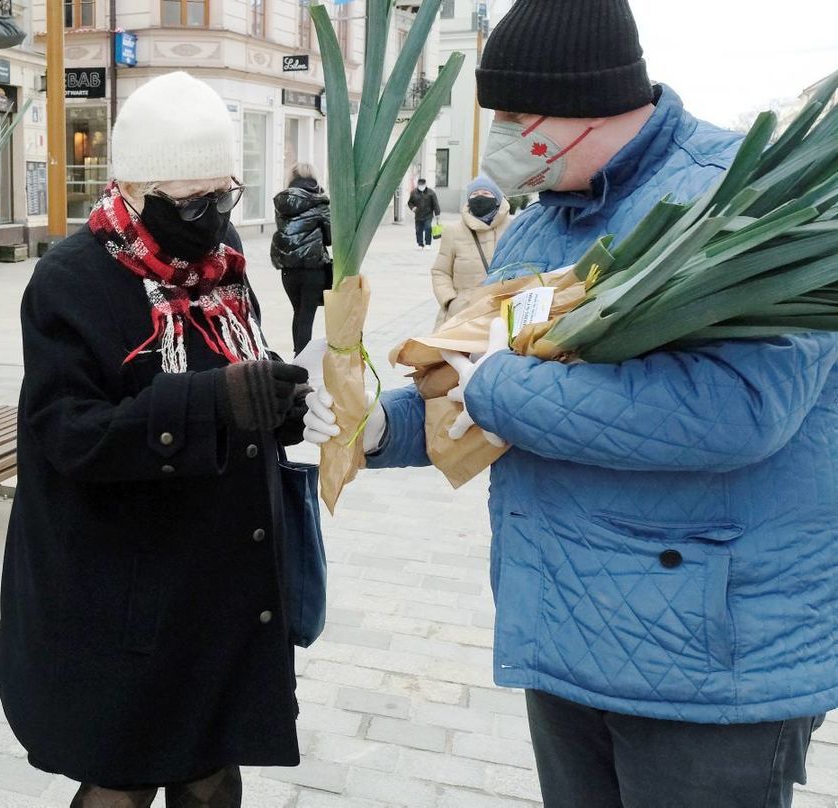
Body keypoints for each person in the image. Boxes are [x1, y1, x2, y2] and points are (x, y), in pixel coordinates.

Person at [303, 1, 836, 805]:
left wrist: (499, 386)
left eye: (518, 118)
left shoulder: (741, 198)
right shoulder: (536, 230)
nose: (505, 143)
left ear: (592, 103)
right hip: (563, 631)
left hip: (704, 661)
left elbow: (740, 409)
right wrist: (379, 425)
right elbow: (473, 376)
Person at [0, 71, 308, 808]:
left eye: (222, 195)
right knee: (122, 780)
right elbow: (68, 435)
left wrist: (278, 409)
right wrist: (216, 402)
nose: (209, 216)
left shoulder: (222, 260)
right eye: (187, 201)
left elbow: (240, 373)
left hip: (220, 578)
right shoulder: (72, 279)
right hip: (124, 590)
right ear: (131, 189)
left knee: (212, 767)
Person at [431, 176, 511, 326]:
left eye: (486, 194)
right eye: (474, 194)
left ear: (498, 198)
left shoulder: (514, 228)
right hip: (461, 316)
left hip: (501, 314)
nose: (480, 197)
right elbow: (440, 271)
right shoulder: (453, 231)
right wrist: (450, 301)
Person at [270, 162, 332, 353]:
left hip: (288, 270)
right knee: (306, 315)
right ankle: (302, 363)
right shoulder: (320, 202)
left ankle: (298, 358)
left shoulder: (283, 202)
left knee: (298, 313)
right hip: (313, 269)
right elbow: (330, 239)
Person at [407, 177, 440, 250]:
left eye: (422, 184)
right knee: (418, 230)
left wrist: (437, 214)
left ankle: (428, 243)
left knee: (428, 227)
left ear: (425, 185)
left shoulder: (431, 193)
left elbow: (435, 204)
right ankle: (420, 244)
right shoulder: (414, 192)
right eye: (420, 184)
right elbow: (410, 202)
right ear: (418, 184)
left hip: (428, 214)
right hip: (418, 214)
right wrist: (412, 208)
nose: (421, 186)